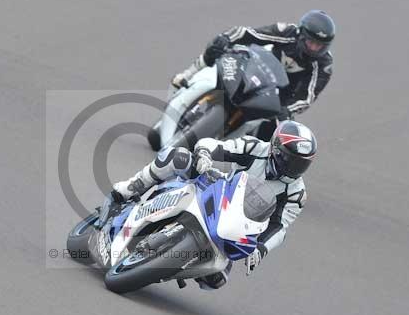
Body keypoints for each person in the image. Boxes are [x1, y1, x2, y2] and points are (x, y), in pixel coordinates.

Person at [112, 120, 316, 290]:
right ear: (276, 148)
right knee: (177, 157)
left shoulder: (296, 194)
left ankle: (173, 264)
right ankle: (132, 186)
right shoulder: (254, 148)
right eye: (290, 159)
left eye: (301, 164)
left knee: (216, 280)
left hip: (235, 226)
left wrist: (261, 249)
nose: (293, 167)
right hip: (215, 189)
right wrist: (204, 154)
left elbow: (279, 227)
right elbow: (215, 145)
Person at [171, 10, 335, 120]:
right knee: (216, 47)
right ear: (301, 34)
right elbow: (250, 34)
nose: (313, 48)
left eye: (318, 45)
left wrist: (288, 111)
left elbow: (307, 97)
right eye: (310, 42)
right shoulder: (287, 32)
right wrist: (226, 38)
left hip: (281, 97)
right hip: (257, 69)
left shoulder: (323, 66)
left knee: (273, 133)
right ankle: (187, 75)